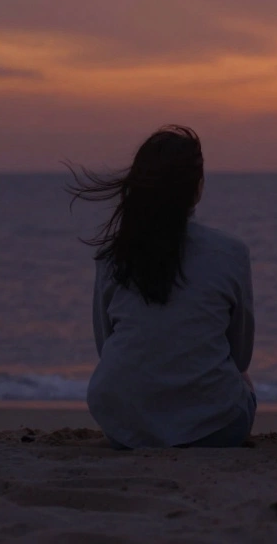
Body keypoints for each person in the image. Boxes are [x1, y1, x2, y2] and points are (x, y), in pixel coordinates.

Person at [67, 126, 255, 449]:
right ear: (197, 188)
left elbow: (106, 346)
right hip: (215, 428)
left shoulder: (114, 256)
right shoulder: (231, 253)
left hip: (124, 425)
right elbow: (240, 357)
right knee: (243, 381)